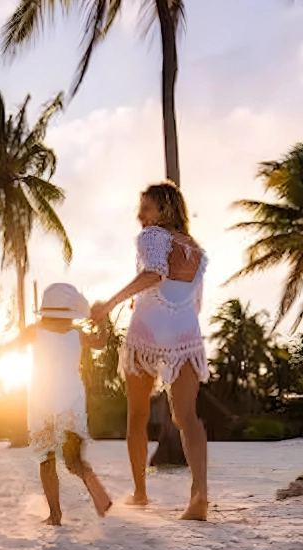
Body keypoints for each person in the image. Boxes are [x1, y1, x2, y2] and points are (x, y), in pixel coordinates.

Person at [0, 283, 112, 526]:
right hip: (71, 399)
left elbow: (0, 352)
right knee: (73, 459)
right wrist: (103, 321)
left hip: (42, 399)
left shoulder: (36, 331)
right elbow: (101, 342)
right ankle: (91, 483)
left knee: (47, 457)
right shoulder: (76, 334)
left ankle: (55, 514)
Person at [90, 182, 209, 521]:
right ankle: (199, 495)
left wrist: (110, 303)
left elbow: (154, 273)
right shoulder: (196, 249)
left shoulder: (152, 237)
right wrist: (176, 324)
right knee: (187, 417)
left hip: (146, 331)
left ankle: (141, 493)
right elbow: (194, 300)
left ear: (164, 210)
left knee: (137, 416)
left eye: (146, 208)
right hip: (186, 331)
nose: (140, 216)